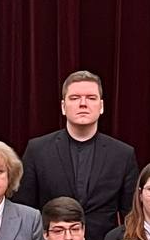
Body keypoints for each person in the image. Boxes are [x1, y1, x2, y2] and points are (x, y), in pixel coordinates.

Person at [18, 70, 138, 229]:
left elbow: (131, 215)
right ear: (63, 107)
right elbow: (24, 211)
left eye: (91, 98)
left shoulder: (123, 155)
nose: (83, 104)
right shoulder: (37, 151)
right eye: (74, 98)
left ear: (101, 106)